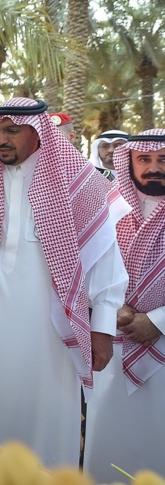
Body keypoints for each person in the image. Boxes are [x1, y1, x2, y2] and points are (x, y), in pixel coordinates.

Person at [0, 97, 130, 467]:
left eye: (11, 131)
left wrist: (101, 328)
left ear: (37, 131)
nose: (1, 139)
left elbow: (103, 257)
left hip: (47, 328)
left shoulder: (75, 179)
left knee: (40, 417)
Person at [84, 129, 165, 481]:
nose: (153, 168)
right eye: (144, 160)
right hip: (114, 344)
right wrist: (107, 308)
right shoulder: (110, 207)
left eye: (162, 160)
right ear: (129, 162)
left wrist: (158, 321)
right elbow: (85, 266)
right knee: (108, 440)